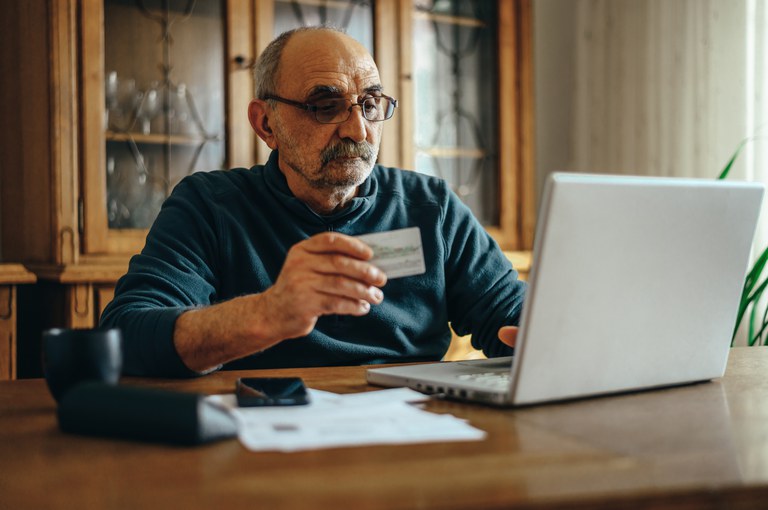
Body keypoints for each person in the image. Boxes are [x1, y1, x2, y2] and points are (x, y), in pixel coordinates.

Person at [100, 26, 526, 377]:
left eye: (370, 104)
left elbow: (509, 313)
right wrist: (268, 313)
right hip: (268, 427)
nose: (358, 130)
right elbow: (126, 335)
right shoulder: (210, 206)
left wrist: (538, 335)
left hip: (412, 428)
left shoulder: (431, 207)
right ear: (266, 124)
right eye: (325, 106)